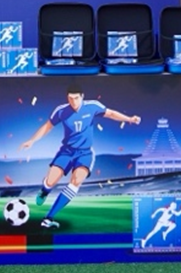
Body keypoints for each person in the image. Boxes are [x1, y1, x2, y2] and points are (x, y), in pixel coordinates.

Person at [20, 83, 141, 229]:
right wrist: (32, 140)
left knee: (75, 181)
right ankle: (44, 191)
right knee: (50, 181)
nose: (73, 101)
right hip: (66, 151)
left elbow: (111, 113)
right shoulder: (61, 111)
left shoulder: (92, 106)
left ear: (82, 97)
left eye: (76, 98)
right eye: (70, 98)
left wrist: (129, 119)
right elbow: (47, 126)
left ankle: (48, 218)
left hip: (85, 153)